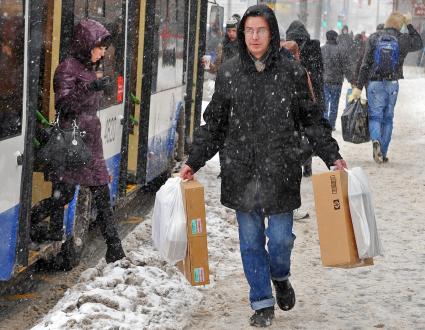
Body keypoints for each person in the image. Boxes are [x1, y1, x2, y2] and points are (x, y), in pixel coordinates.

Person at [180, 5, 347, 327]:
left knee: (282, 238)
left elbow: (311, 121)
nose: (254, 37)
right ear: (243, 35)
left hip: (280, 169)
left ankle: (280, 276)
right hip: (241, 170)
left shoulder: (291, 73)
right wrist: (193, 161)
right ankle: (262, 301)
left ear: (272, 34)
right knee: (250, 241)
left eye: (261, 30)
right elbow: (214, 125)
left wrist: (332, 155)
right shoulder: (229, 73)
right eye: (249, 31)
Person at [30, 19, 126, 263]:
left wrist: (98, 87)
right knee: (64, 197)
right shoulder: (67, 69)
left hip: (89, 142)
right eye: (100, 47)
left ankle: (115, 251)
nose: (103, 52)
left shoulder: (87, 68)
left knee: (101, 194)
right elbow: (64, 104)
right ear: (87, 44)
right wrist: (91, 86)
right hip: (73, 143)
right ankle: (30, 221)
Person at [350, 12, 422, 163]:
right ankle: (383, 151)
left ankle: (375, 140)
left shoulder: (374, 38)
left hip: (374, 83)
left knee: (375, 116)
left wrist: (359, 87)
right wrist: (409, 25)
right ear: (400, 25)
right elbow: (419, 43)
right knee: (388, 118)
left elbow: (365, 64)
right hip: (392, 83)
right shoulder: (402, 39)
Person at [285, 20, 325, 177]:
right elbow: (320, 74)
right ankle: (307, 164)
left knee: (293, 130)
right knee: (307, 129)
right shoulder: (314, 48)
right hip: (309, 95)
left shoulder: (286, 49)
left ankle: (293, 163)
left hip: (290, 96)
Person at [321, 30, 353, 130]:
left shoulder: (322, 49)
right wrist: (352, 80)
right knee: (334, 104)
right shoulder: (341, 50)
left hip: (324, 80)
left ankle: (325, 123)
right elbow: (346, 67)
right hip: (337, 82)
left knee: (325, 103)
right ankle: (331, 124)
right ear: (336, 38)